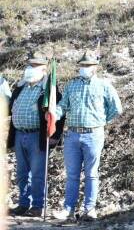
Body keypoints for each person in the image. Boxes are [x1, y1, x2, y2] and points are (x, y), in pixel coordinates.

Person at [51, 51, 122, 221]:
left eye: (88, 65)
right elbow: (63, 106)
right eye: (82, 65)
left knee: (91, 173)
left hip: (93, 134)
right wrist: (54, 114)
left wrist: (102, 121)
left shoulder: (104, 85)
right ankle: (68, 210)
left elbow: (117, 109)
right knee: (72, 175)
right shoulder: (71, 85)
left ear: (95, 67)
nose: (84, 68)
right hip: (72, 135)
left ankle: (89, 209)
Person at [6, 52, 62, 218]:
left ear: (44, 69)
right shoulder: (20, 88)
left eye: (36, 66)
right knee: (22, 173)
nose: (31, 68)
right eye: (30, 65)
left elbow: (58, 113)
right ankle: (24, 203)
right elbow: (10, 107)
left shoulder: (48, 91)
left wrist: (55, 135)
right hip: (19, 135)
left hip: (37, 136)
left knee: (37, 173)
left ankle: (38, 206)